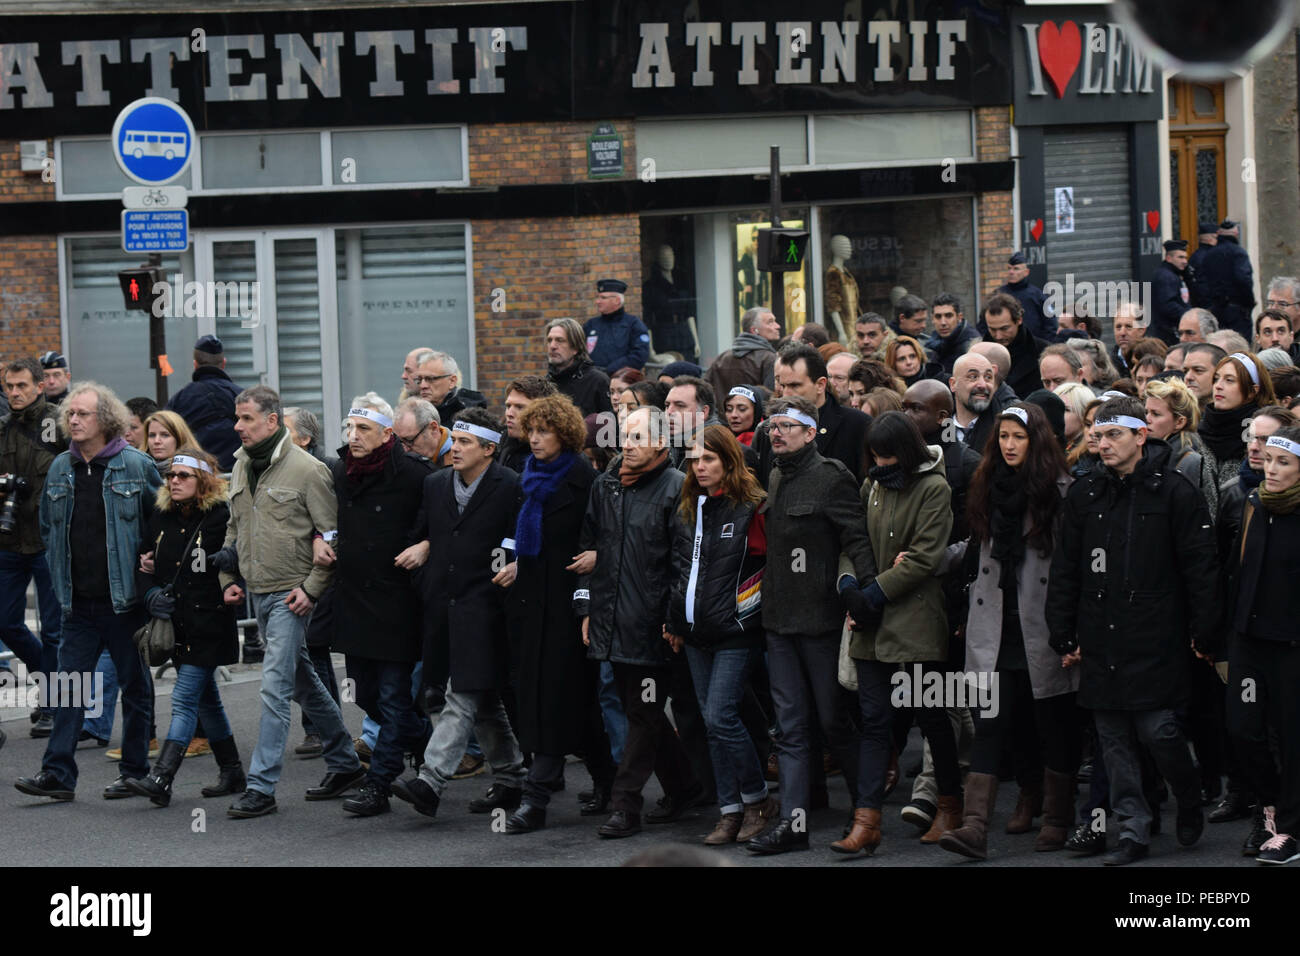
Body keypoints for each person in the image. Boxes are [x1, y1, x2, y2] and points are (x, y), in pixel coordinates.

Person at [1046, 395, 1220, 865]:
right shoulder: (1085, 494)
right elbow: (1066, 568)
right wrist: (1062, 629)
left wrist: (1205, 632)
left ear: (1141, 435)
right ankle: (1133, 829)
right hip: (1101, 633)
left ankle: (1185, 794)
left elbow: (1200, 566)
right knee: (1114, 739)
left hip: (1156, 634)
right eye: (1097, 436)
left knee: (1160, 730)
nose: (1102, 445)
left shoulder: (1175, 491)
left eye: (1113, 435)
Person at [937, 403, 1078, 859]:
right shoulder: (988, 487)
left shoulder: (1060, 492)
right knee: (992, 725)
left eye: (1019, 437)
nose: (1010, 445)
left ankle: (1056, 816)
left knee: (1052, 726)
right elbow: (977, 547)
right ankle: (975, 828)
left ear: (1036, 440)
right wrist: (928, 559)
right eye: (1004, 437)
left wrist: (1074, 630)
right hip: (994, 626)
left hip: (1043, 626)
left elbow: (1072, 566)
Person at [219, 386, 363, 819]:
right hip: (258, 591)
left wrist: (312, 588)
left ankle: (261, 787)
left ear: (272, 421)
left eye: (246, 418)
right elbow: (234, 526)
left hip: (291, 596)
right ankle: (347, 764)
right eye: (237, 418)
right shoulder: (242, 464)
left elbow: (332, 536)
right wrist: (228, 574)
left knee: (275, 688)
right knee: (304, 683)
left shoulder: (308, 470)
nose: (237, 426)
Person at [14, 382, 162, 802]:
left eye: (83, 414)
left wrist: (150, 562)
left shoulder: (135, 465)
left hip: (124, 601)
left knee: (135, 687)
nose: (74, 420)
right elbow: (47, 526)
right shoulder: (61, 467)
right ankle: (58, 774)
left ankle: (135, 770)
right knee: (68, 688)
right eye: (71, 414)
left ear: (107, 420)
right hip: (76, 602)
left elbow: (161, 522)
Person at [747, 397, 877, 854]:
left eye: (787, 426)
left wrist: (865, 600)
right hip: (780, 621)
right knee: (790, 727)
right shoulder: (777, 474)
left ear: (810, 431)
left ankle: (867, 810)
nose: (776, 433)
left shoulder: (832, 476)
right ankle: (793, 824)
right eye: (772, 425)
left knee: (833, 721)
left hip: (822, 621)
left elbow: (857, 540)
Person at [391, 409, 527, 821]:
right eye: (456, 441)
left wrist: (510, 568)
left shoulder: (510, 486)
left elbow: (517, 540)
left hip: (486, 607)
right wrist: (426, 566)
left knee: (461, 692)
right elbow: (425, 534)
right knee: (482, 698)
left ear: (489, 449)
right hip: (443, 606)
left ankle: (430, 781)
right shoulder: (435, 485)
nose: (456, 449)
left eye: (467, 443)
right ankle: (511, 776)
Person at [834, 411, 956, 855]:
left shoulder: (934, 488)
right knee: (874, 724)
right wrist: (850, 587)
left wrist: (874, 593)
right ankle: (866, 821)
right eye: (874, 456)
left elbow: (925, 558)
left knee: (930, 716)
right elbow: (854, 544)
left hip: (917, 621)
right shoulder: (872, 486)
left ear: (905, 452)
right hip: (871, 618)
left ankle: (950, 806)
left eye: (887, 456)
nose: (879, 464)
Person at [575, 405, 697, 838]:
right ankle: (685, 786)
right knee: (639, 710)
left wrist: (674, 621)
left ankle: (624, 805)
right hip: (610, 619)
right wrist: (586, 608)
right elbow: (588, 550)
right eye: (624, 436)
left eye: (637, 438)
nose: (626, 444)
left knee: (643, 714)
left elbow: (685, 563)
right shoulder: (606, 485)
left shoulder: (677, 487)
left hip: (652, 626)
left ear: (661, 444)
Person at [502, 395, 617, 832]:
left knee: (553, 699)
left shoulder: (584, 479)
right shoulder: (529, 478)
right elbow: (522, 540)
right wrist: (515, 565)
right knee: (572, 704)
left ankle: (536, 797)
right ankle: (608, 777)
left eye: (544, 431)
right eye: (531, 430)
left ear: (565, 435)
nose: (533, 438)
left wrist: (596, 555)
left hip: (572, 606)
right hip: (533, 603)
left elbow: (608, 534)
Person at [317, 397, 431, 817]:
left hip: (398, 603)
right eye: (350, 428)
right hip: (354, 601)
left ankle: (378, 785)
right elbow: (321, 517)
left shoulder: (417, 475)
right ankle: (423, 740)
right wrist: (320, 539)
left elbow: (444, 521)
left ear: (387, 433)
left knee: (394, 697)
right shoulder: (339, 472)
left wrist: (425, 545)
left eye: (363, 430)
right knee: (365, 694)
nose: (353, 437)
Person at [664, 424, 775, 845]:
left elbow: (771, 569)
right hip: (694, 631)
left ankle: (758, 800)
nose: (699, 466)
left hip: (735, 630)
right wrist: (675, 621)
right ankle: (730, 812)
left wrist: (750, 614)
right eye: (694, 459)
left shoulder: (754, 507)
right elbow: (680, 567)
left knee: (720, 716)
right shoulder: (692, 505)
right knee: (714, 725)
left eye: (708, 458)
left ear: (730, 460)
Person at [126, 448, 244, 805]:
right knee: (207, 702)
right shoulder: (160, 516)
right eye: (170, 476)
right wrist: (149, 597)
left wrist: (230, 567)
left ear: (203, 480)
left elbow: (237, 560)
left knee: (183, 699)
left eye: (183, 476)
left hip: (209, 623)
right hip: (175, 625)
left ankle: (161, 777)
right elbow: (143, 566)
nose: (174, 481)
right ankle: (233, 771)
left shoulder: (221, 517)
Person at [1227, 424, 1300, 864]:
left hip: (1292, 645)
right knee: (1243, 729)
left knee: (1292, 739)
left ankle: (1290, 830)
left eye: (1283, 462)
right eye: (1268, 460)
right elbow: (1236, 571)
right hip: (1249, 641)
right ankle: (1271, 807)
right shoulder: (1255, 504)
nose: (1270, 469)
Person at [0, 357, 67, 739]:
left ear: (40, 385)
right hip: (8, 538)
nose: (15, 393)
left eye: (22, 385)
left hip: (48, 538)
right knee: (6, 621)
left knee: (56, 629)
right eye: (10, 386)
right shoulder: (3, 427)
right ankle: (55, 685)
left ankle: (54, 703)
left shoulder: (59, 422)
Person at [751, 343, 872, 485]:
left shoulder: (857, 425)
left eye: (795, 385)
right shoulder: (770, 429)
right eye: (783, 385)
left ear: (820, 384)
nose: (786, 393)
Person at [1200, 351, 1277, 490]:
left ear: (1252, 391)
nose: (1218, 386)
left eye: (1229, 380)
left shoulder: (1271, 431)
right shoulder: (1198, 431)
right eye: (1216, 378)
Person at [165, 335, 242, 470]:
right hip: (237, 476)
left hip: (195, 479)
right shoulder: (242, 397)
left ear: (195, 364)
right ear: (223, 363)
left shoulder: (179, 400)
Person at [1143, 377, 1217, 515]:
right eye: (1146, 412)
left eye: (1156, 414)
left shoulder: (1191, 461)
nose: (1147, 419)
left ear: (1179, 422)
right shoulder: (1146, 453)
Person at [982, 293, 1048, 399]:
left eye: (1004, 328)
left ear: (1019, 320)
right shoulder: (979, 354)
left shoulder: (1043, 352)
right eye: (992, 329)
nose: (998, 336)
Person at [1198, 220, 1256, 338]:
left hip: (1216, 309)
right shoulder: (1238, 252)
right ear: (1235, 234)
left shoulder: (1209, 255)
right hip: (1237, 309)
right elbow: (1243, 279)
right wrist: (1249, 302)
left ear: (1219, 234)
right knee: (1240, 344)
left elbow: (1202, 283)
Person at [546, 317, 613, 418]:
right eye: (549, 340)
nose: (552, 346)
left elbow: (610, 426)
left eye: (560, 340)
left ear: (575, 348)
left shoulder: (597, 381)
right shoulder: (545, 384)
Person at [705, 308, 780, 396]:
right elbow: (771, 397)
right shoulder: (769, 358)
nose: (777, 326)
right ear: (754, 330)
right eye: (770, 322)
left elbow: (705, 390)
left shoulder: (722, 357)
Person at [584, 278, 650, 373]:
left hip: (620, 381)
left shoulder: (633, 324)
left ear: (617, 300)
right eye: (598, 297)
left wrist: (611, 370)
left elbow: (639, 355)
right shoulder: (591, 324)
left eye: (603, 298)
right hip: (593, 380)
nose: (597, 301)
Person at [500, 375, 559, 473]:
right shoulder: (503, 443)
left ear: (543, 411)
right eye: (508, 406)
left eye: (520, 407)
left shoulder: (554, 455)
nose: (509, 413)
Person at [949, 352, 1003, 454]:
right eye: (973, 376)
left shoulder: (1004, 428)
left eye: (988, 377)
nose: (982, 385)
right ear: (953, 384)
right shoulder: (937, 424)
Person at [414, 350, 485, 425]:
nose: (422, 386)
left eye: (431, 379)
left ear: (452, 381)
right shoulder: (415, 414)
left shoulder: (469, 419)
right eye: (419, 379)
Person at [996, 252, 1055, 339]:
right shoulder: (998, 295)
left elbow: (1051, 325)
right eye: (1009, 268)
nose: (1011, 272)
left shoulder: (1037, 296)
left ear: (1026, 272)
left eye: (1016, 269)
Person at [926, 293, 981, 377]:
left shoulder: (972, 345)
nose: (943, 322)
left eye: (948, 316)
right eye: (938, 316)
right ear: (932, 319)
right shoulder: (933, 343)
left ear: (959, 317)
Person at [1151, 239, 1191, 345]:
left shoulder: (1174, 274)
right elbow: (1168, 305)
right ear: (1169, 258)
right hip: (1169, 333)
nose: (1185, 261)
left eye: (1185, 257)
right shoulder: (1166, 277)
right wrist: (1188, 316)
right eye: (1180, 257)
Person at [393, 397, 452, 468]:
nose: (404, 449)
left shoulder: (460, 460)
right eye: (399, 441)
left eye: (409, 440)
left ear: (433, 428)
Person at [143, 410, 199, 478]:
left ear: (179, 438)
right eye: (152, 435)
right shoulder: (136, 468)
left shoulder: (197, 472)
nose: (156, 441)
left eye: (165, 435)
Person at [1181, 342, 1227, 409]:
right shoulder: (1176, 416)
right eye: (1185, 371)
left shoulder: (1242, 418)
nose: (1188, 377)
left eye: (1198, 370)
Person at [1187, 221, 1218, 305]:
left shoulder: (1194, 256)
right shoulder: (1212, 257)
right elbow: (1203, 285)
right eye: (1217, 238)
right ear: (1210, 239)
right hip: (1209, 304)